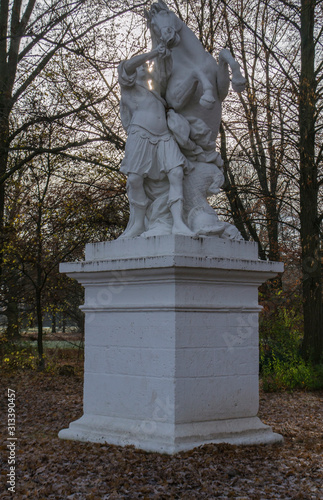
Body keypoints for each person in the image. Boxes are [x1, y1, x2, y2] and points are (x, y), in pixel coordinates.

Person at [118, 45, 193, 238]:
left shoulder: (155, 90)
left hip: (163, 136)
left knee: (176, 173)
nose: (144, 68)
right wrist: (152, 54)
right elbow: (127, 66)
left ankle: (178, 223)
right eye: (141, 66)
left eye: (146, 66)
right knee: (135, 179)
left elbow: (167, 70)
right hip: (141, 134)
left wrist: (164, 54)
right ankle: (137, 224)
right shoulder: (128, 87)